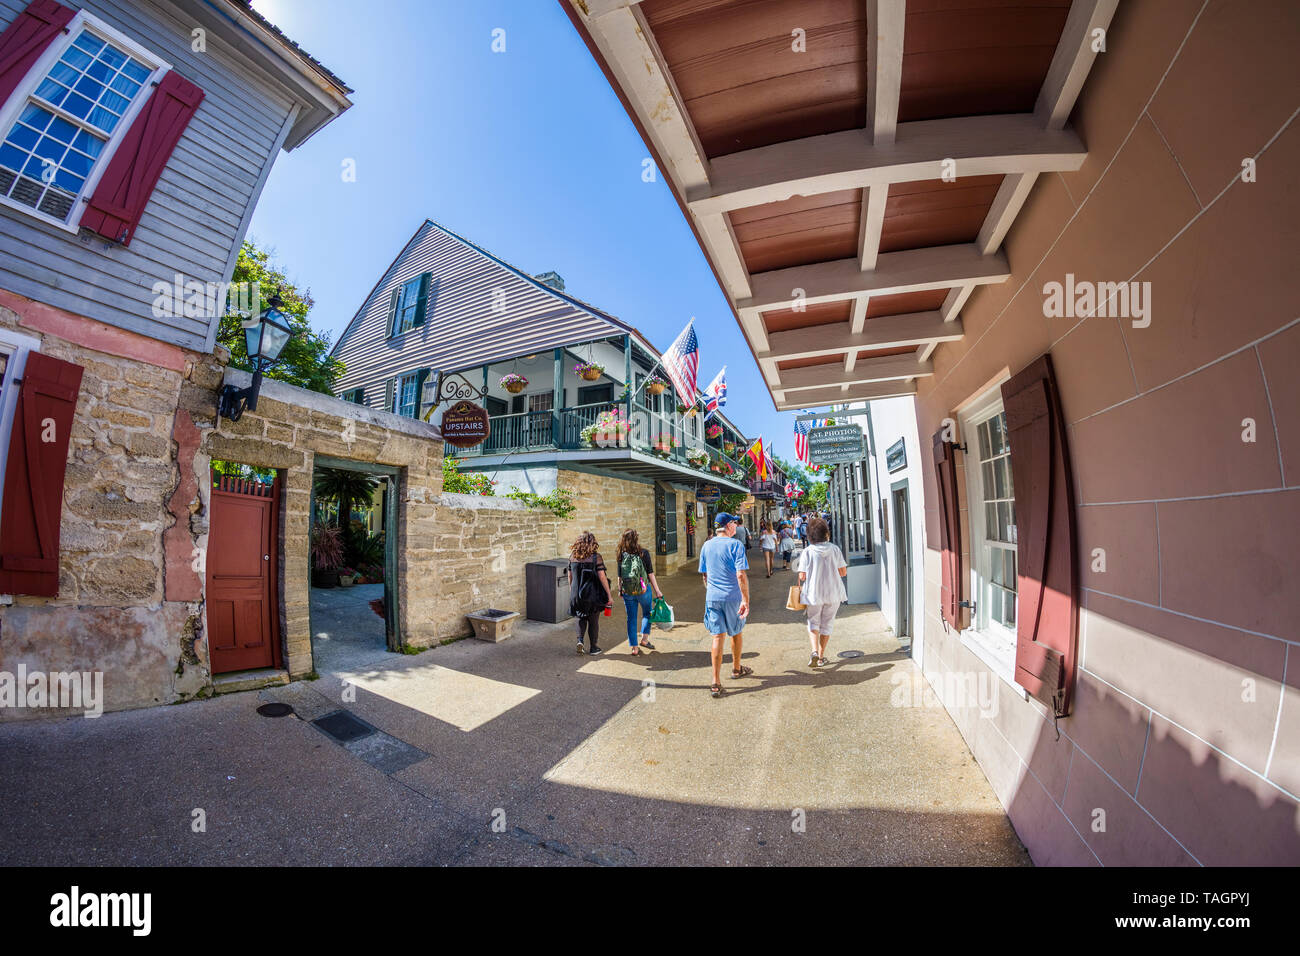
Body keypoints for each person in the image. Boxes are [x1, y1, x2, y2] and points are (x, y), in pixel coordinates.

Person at [698, 512, 751, 698]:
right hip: (732, 597)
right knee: (735, 632)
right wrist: (745, 599)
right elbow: (740, 575)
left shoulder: (706, 545)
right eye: (734, 523)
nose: (736, 526)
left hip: (712, 597)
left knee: (717, 637)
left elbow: (704, 574)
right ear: (728, 525)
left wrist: (712, 589)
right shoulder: (736, 545)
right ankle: (736, 669)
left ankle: (715, 681)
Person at [796, 517, 848, 667]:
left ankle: (813, 651)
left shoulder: (807, 551)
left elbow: (802, 576)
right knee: (827, 624)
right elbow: (843, 572)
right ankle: (820, 657)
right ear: (826, 532)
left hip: (813, 594)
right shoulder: (834, 549)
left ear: (810, 535)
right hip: (833, 593)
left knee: (813, 622)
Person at [615, 528, 663, 656]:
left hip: (628, 591)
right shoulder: (644, 553)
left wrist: (620, 589)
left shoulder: (621, 554)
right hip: (643, 590)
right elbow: (650, 574)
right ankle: (645, 640)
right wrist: (657, 590)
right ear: (636, 539)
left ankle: (634, 648)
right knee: (647, 614)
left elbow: (619, 576)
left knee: (631, 618)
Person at [567, 532, 612, 655]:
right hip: (592, 594)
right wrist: (609, 595)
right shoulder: (595, 557)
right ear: (592, 543)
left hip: (576, 594)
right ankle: (594, 647)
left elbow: (570, 576)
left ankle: (580, 641)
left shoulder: (572, 557)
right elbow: (602, 577)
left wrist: (572, 591)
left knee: (580, 617)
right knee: (593, 620)